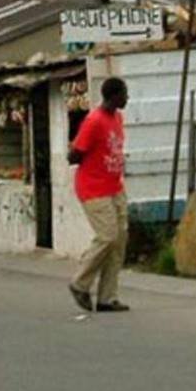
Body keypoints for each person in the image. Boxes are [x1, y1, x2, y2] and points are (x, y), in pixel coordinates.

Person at [67, 77, 130, 313]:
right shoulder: (94, 121)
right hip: (93, 188)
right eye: (124, 94)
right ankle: (79, 283)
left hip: (114, 186)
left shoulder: (117, 118)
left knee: (119, 241)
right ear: (113, 96)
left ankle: (107, 297)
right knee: (107, 236)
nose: (127, 98)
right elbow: (74, 155)